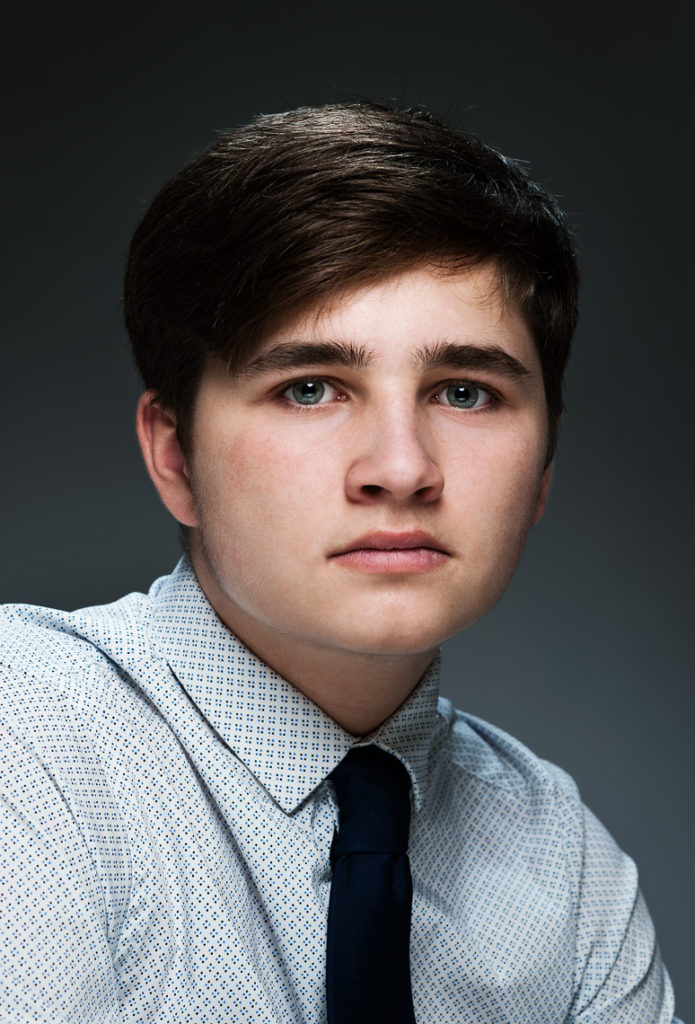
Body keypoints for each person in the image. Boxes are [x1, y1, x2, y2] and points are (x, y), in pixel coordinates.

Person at [0, 100, 681, 1023]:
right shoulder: (26, 732)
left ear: (544, 467)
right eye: (309, 388)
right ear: (173, 454)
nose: (400, 467)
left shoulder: (560, 860)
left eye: (465, 393)